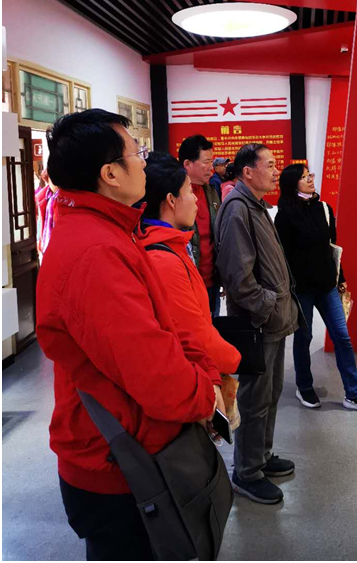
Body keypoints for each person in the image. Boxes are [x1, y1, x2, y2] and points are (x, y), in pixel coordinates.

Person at [36, 109, 223, 562]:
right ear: (110, 174)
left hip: (124, 450)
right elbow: (154, 372)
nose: (144, 162)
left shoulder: (104, 231)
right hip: (120, 465)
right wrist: (206, 396)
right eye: (136, 153)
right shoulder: (96, 252)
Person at [215, 143, 303, 505]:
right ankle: (247, 473)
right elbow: (238, 277)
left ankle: (262, 457)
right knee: (254, 399)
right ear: (247, 172)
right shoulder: (238, 208)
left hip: (273, 320)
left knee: (271, 393)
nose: (276, 170)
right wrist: (267, 307)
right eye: (269, 164)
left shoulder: (257, 205)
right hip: (259, 323)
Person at [275, 164, 357, 416]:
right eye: (304, 177)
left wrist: (340, 277)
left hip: (327, 285)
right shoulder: (285, 216)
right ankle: (304, 387)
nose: (310, 180)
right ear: (292, 184)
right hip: (301, 289)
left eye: (310, 175)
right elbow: (282, 256)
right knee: (304, 337)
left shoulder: (324, 208)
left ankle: (353, 393)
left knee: (342, 337)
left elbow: (331, 246)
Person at [138, 152, 241, 374]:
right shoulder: (162, 260)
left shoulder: (171, 245)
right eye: (188, 192)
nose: (195, 199)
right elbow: (193, 335)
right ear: (171, 200)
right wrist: (234, 359)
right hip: (190, 371)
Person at [178, 135, 222, 318]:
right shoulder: (176, 195)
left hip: (212, 280)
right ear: (187, 164)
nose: (211, 167)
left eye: (211, 161)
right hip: (188, 282)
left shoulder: (211, 192)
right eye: (206, 162)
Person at [35, 169, 59, 260]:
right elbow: (41, 221)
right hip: (45, 245)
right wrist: (39, 241)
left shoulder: (62, 197)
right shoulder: (44, 197)